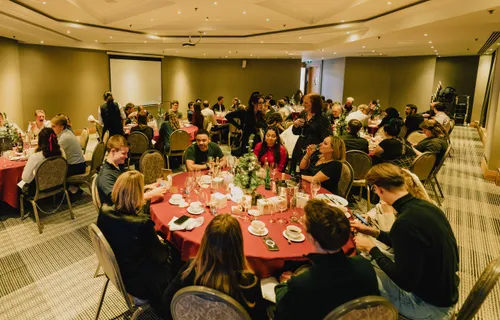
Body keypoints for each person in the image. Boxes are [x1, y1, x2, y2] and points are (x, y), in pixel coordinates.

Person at [352, 163, 459, 319]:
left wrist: (371, 248)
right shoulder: (427, 207)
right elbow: (407, 242)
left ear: (379, 189)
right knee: (369, 261)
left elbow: (406, 282)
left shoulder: (405, 222)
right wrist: (373, 232)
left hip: (428, 307)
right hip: (443, 293)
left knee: (359, 273)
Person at [274, 200, 379, 320]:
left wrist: (284, 284)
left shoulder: (302, 283)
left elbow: (282, 306)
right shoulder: (365, 266)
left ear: (310, 237)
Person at [97, 171, 180, 317]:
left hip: (119, 271)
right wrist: (163, 242)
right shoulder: (141, 224)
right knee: (181, 256)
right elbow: (161, 257)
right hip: (141, 284)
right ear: (137, 195)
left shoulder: (104, 212)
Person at [163, 214, 266, 319]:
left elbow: (168, 301)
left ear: (205, 241)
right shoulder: (248, 283)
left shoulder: (191, 270)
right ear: (238, 246)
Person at [98, 135, 166, 206]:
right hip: (120, 214)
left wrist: (147, 186)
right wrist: (150, 194)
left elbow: (125, 190)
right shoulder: (106, 177)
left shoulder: (117, 166)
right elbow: (120, 202)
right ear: (113, 151)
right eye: (123, 153)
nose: (126, 156)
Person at [290, 93, 333, 173]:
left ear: (314, 104)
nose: (303, 104)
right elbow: (295, 132)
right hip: (300, 145)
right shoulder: (303, 113)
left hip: (313, 150)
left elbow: (326, 137)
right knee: (295, 169)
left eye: (306, 103)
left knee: (306, 172)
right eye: (303, 102)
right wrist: (296, 125)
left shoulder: (322, 118)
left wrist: (316, 148)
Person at [20, 128, 62, 195]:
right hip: (57, 185)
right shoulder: (61, 153)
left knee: (19, 184)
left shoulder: (35, 157)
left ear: (40, 141)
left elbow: (25, 178)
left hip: (39, 188)